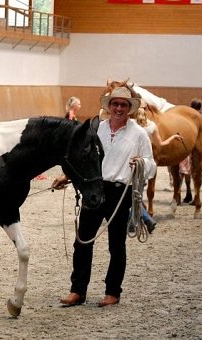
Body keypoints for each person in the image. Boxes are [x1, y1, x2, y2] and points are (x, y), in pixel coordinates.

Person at [52, 87, 157, 308]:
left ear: (130, 108)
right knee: (82, 240)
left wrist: (141, 164)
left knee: (116, 245)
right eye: (115, 104)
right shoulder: (96, 130)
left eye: (124, 105)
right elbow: (84, 159)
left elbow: (152, 165)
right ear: (109, 106)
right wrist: (67, 175)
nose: (119, 108)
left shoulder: (138, 134)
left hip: (120, 192)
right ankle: (77, 290)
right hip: (95, 190)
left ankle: (113, 291)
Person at [133, 102, 183, 232]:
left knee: (133, 193)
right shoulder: (152, 126)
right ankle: (141, 219)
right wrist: (173, 137)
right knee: (136, 193)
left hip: (133, 164)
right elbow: (161, 144)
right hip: (146, 164)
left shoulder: (131, 126)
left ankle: (144, 220)